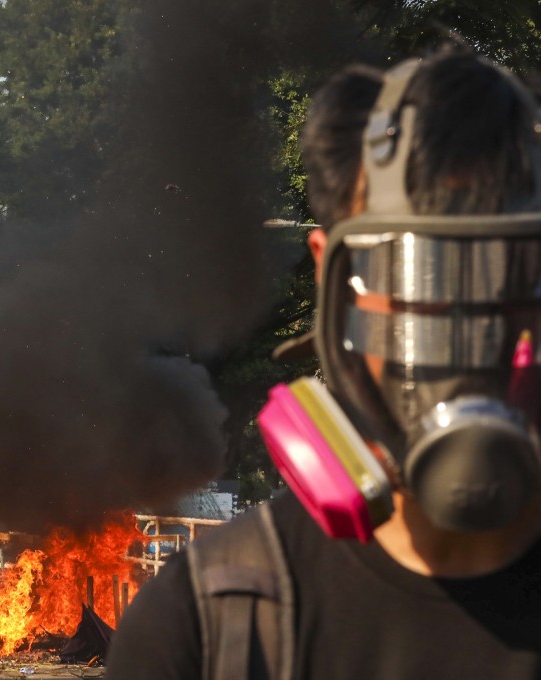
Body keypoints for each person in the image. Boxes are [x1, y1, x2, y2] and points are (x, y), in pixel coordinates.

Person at [107, 47, 541, 679]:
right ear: (333, 279)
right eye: (416, 266)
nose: (466, 318)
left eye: (515, 267)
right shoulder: (202, 628)